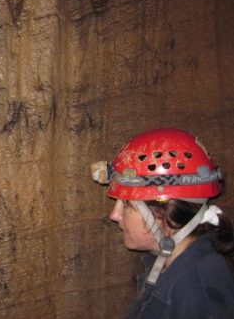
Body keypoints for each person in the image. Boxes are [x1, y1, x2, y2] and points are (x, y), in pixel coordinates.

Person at [91, 128, 234, 318]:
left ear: (165, 214)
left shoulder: (196, 295)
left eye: (126, 204)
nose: (114, 215)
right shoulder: (172, 264)